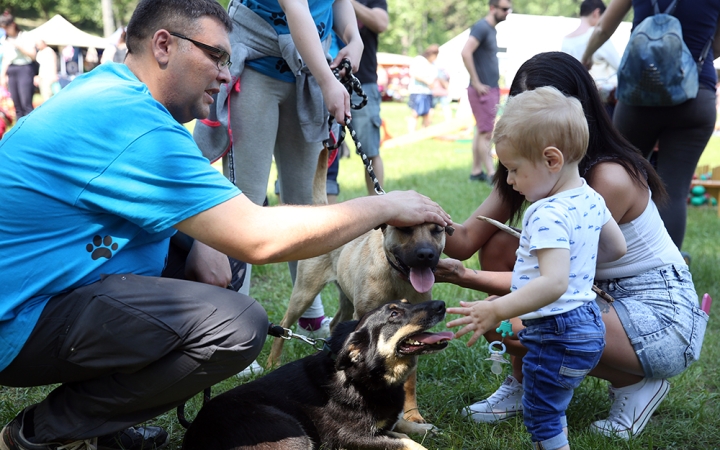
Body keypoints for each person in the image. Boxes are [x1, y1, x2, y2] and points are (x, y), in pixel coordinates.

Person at [0, 1, 452, 449]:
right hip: (17, 323)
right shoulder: (134, 126)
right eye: (217, 56)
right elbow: (258, 237)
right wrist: (383, 205)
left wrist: (203, 240)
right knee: (235, 323)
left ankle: (103, 427)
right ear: (163, 46)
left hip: (39, 297)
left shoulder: (110, 94)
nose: (225, 71)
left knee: (219, 265)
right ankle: (45, 432)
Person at [438, 51, 708, 441]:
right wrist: (419, 214)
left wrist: (474, 283)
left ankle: (635, 385)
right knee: (500, 247)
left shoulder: (605, 178)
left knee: (521, 324)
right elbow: (463, 241)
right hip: (596, 292)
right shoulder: (536, 172)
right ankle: (524, 384)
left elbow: (557, 282)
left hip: (660, 317)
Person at [447, 85, 627, 450]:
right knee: (552, 405)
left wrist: (495, 308)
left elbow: (554, 282)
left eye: (514, 169)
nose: (510, 180)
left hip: (555, 332)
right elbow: (616, 248)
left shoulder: (546, 212)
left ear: (551, 160)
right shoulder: (591, 196)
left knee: (542, 415)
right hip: (589, 325)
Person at [200, 0, 364, 338]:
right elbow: (297, 10)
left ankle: (309, 313)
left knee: (305, 202)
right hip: (258, 66)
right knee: (244, 200)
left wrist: (354, 36)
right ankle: (233, 323)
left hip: (306, 68)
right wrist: (328, 82)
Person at [581, 0, 720, 250]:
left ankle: (593, 259)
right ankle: (667, 276)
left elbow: (603, 27)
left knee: (613, 175)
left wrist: (586, 57)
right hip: (696, 95)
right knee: (674, 192)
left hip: (639, 95)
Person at [461, 0, 511, 183]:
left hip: (489, 89)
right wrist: (476, 82)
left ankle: (476, 171)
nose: (508, 12)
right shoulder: (482, 27)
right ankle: (491, 173)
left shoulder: (491, 29)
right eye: (504, 9)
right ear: (492, 8)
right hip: (483, 91)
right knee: (486, 133)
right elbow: (465, 52)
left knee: (481, 131)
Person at [349, 0, 388, 196]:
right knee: (320, 155)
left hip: (363, 83)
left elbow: (381, 24)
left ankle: (378, 211)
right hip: (322, 79)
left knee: (370, 151)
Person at [561, 0, 620, 118]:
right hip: (601, 104)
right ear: (596, 13)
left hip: (575, 105)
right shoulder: (597, 36)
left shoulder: (566, 41)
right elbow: (620, 66)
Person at [0, 12, 36, 119]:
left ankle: (30, 129)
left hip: (24, 69)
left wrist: (19, 46)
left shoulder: (24, 36)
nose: (5, 30)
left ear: (13, 25)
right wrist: (2, 76)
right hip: (12, 69)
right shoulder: (4, 39)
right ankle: (18, 131)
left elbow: (33, 55)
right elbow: (6, 58)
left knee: (26, 103)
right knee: (17, 105)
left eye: (7, 27)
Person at [407, 44, 440, 132]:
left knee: (428, 113)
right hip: (417, 91)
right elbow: (414, 73)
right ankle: (412, 133)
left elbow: (434, 77)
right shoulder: (419, 60)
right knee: (415, 113)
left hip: (428, 92)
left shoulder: (433, 64)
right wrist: (427, 81)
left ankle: (424, 132)